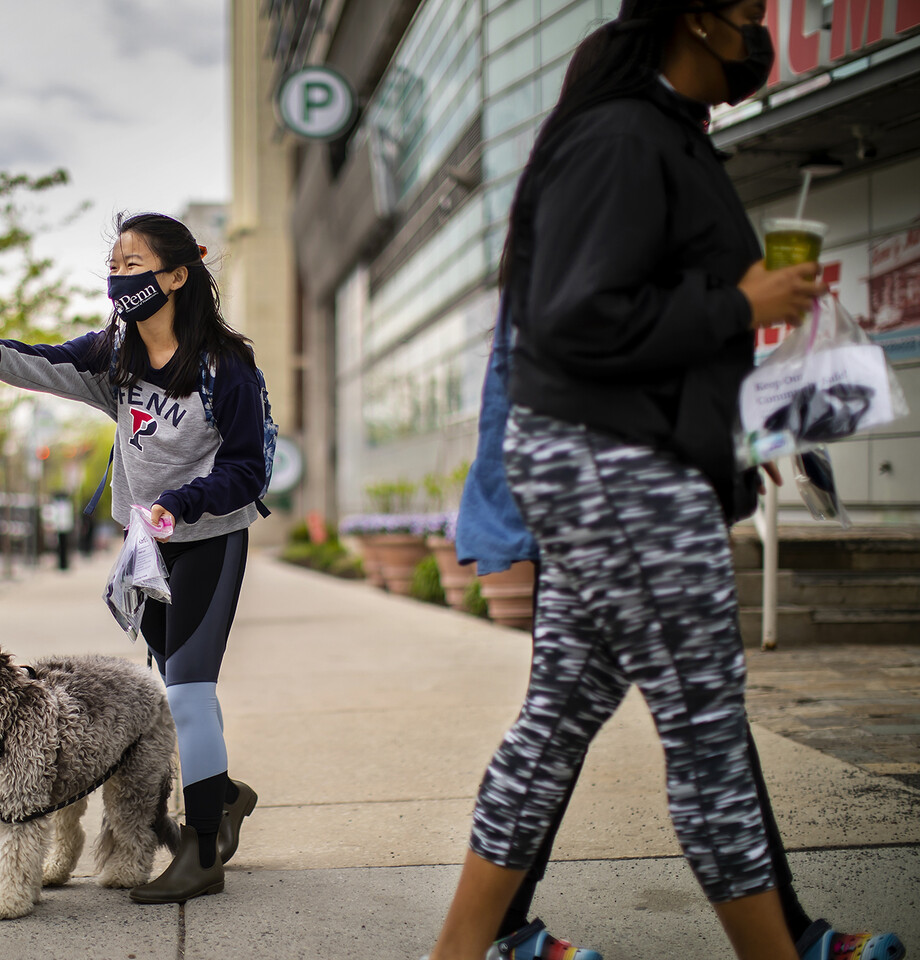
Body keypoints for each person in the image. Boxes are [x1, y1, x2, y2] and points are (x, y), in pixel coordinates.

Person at [421, 0, 884, 953]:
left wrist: (745, 321)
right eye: (750, 13)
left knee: (554, 725)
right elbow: (576, 318)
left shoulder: (657, 134)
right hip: (617, 469)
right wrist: (737, 301)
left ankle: (461, 953)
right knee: (708, 736)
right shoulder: (625, 134)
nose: (761, 29)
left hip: (614, 464)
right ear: (695, 19)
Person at [0, 212, 268, 904]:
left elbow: (249, 466)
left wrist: (184, 501)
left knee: (188, 691)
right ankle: (224, 796)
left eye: (135, 263)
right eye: (114, 262)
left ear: (176, 276)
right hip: (143, 552)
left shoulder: (225, 367)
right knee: (176, 683)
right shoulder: (115, 353)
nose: (120, 275)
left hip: (207, 539)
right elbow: (47, 363)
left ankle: (202, 850)